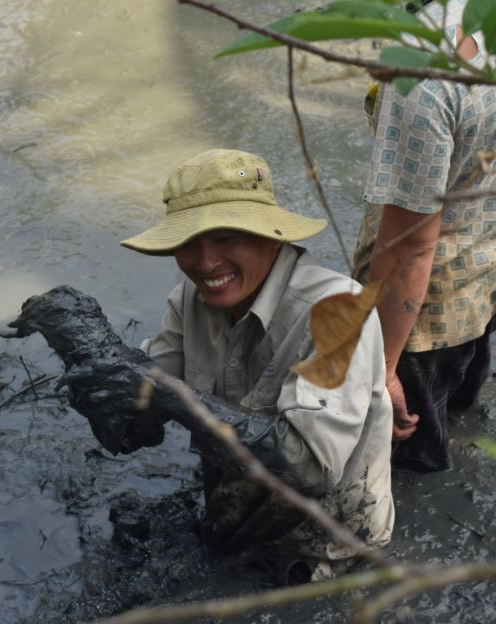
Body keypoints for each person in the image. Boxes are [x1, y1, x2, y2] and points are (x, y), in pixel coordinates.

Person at [83, 148, 395, 584]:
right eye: (188, 243)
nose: (206, 263)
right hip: (233, 513)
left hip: (325, 540)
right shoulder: (190, 300)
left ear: (272, 236)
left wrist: (177, 400)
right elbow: (142, 418)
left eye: (226, 239)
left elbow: (311, 469)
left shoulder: (339, 313)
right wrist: (95, 377)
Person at [353, 0, 496, 471]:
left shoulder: (422, 66)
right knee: (465, 369)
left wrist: (380, 368)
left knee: (406, 441)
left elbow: (411, 248)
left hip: (428, 312)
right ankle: (460, 408)